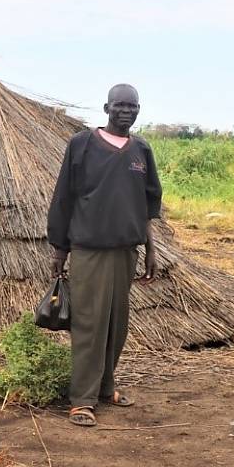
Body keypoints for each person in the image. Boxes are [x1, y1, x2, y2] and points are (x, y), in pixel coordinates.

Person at [46, 83, 163, 427]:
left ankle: (106, 387)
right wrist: (59, 250)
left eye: (132, 106)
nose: (126, 111)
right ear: (106, 108)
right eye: (120, 105)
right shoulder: (81, 145)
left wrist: (150, 248)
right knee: (89, 325)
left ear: (138, 110)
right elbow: (64, 199)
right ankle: (81, 399)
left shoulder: (141, 150)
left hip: (126, 251)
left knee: (116, 324)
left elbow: (147, 205)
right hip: (89, 251)